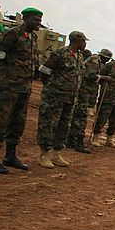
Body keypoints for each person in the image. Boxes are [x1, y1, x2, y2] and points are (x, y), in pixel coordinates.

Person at [0, 6, 43, 174]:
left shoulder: (32, 37)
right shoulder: (12, 33)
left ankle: (10, 156)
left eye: (40, 20)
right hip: (7, 87)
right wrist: (4, 76)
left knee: (18, 123)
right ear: (25, 19)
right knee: (0, 120)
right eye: (35, 20)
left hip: (24, 88)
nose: (39, 23)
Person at [35, 31, 87, 169]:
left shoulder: (79, 57)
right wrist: (52, 88)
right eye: (83, 41)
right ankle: (44, 154)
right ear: (76, 40)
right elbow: (44, 71)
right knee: (49, 124)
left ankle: (56, 154)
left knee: (64, 126)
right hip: (55, 97)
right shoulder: (60, 53)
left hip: (70, 98)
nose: (85, 44)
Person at [67, 48, 111, 154]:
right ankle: (78, 141)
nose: (108, 61)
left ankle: (70, 140)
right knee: (81, 116)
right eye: (107, 59)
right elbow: (91, 76)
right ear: (103, 57)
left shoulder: (98, 62)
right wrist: (104, 77)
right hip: (83, 91)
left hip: (86, 91)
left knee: (79, 115)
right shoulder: (95, 61)